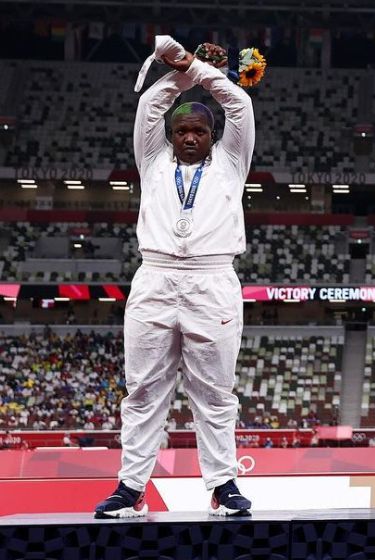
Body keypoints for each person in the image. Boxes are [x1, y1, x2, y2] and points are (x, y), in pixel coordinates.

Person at [94, 40, 255, 518]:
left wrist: (197, 67)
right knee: (143, 390)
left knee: (215, 393)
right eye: (181, 130)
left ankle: (222, 484)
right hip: (156, 277)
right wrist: (186, 70)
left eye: (198, 130)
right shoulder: (153, 160)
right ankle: (131, 487)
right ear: (168, 135)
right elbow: (150, 102)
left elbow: (239, 104)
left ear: (213, 135)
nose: (189, 137)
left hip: (212, 280)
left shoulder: (231, 161)